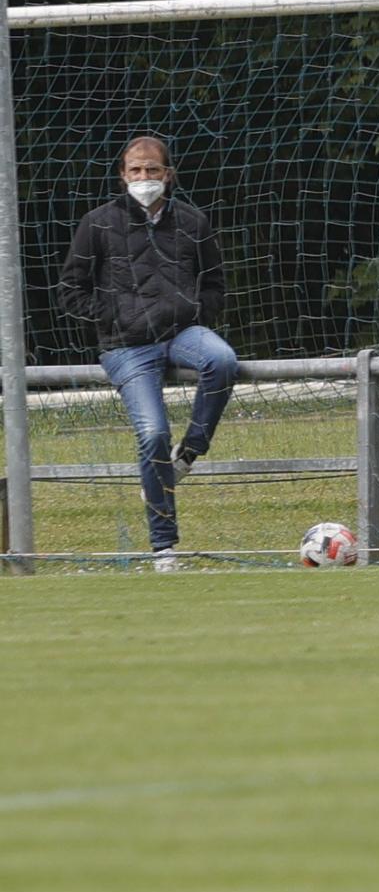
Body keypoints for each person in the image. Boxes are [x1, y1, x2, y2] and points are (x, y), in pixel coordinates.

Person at [58, 134, 237, 572]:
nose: (144, 177)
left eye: (152, 170)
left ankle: (189, 454)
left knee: (223, 360)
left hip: (183, 333)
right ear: (123, 176)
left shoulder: (194, 222)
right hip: (126, 346)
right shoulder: (97, 223)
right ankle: (164, 549)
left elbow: (215, 285)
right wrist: (113, 318)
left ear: (168, 174)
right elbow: (69, 290)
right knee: (152, 433)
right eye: (135, 170)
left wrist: (195, 312)